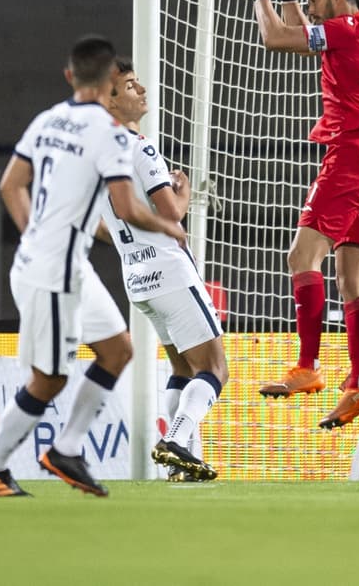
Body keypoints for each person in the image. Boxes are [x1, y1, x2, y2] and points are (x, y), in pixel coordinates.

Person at [0, 35, 186, 497]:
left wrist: (34, 236)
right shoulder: (109, 134)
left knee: (119, 350)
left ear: (70, 76)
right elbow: (127, 208)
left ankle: (66, 447)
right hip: (52, 272)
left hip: (66, 266)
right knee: (50, 378)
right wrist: (169, 224)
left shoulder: (48, 119)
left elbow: (11, 186)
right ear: (109, 81)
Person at [237, 0, 359, 429]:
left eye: (314, 1)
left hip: (349, 156)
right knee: (353, 276)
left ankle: (307, 368)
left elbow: (277, 38)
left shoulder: (344, 29)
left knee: (302, 258)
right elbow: (301, 30)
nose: (309, 9)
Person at [99, 57, 226, 481]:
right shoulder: (140, 147)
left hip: (137, 280)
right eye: (132, 86)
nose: (143, 91)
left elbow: (100, 227)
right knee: (215, 368)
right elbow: (172, 218)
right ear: (110, 100)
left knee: (181, 368)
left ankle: (184, 467)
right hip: (170, 272)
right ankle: (176, 439)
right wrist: (184, 194)